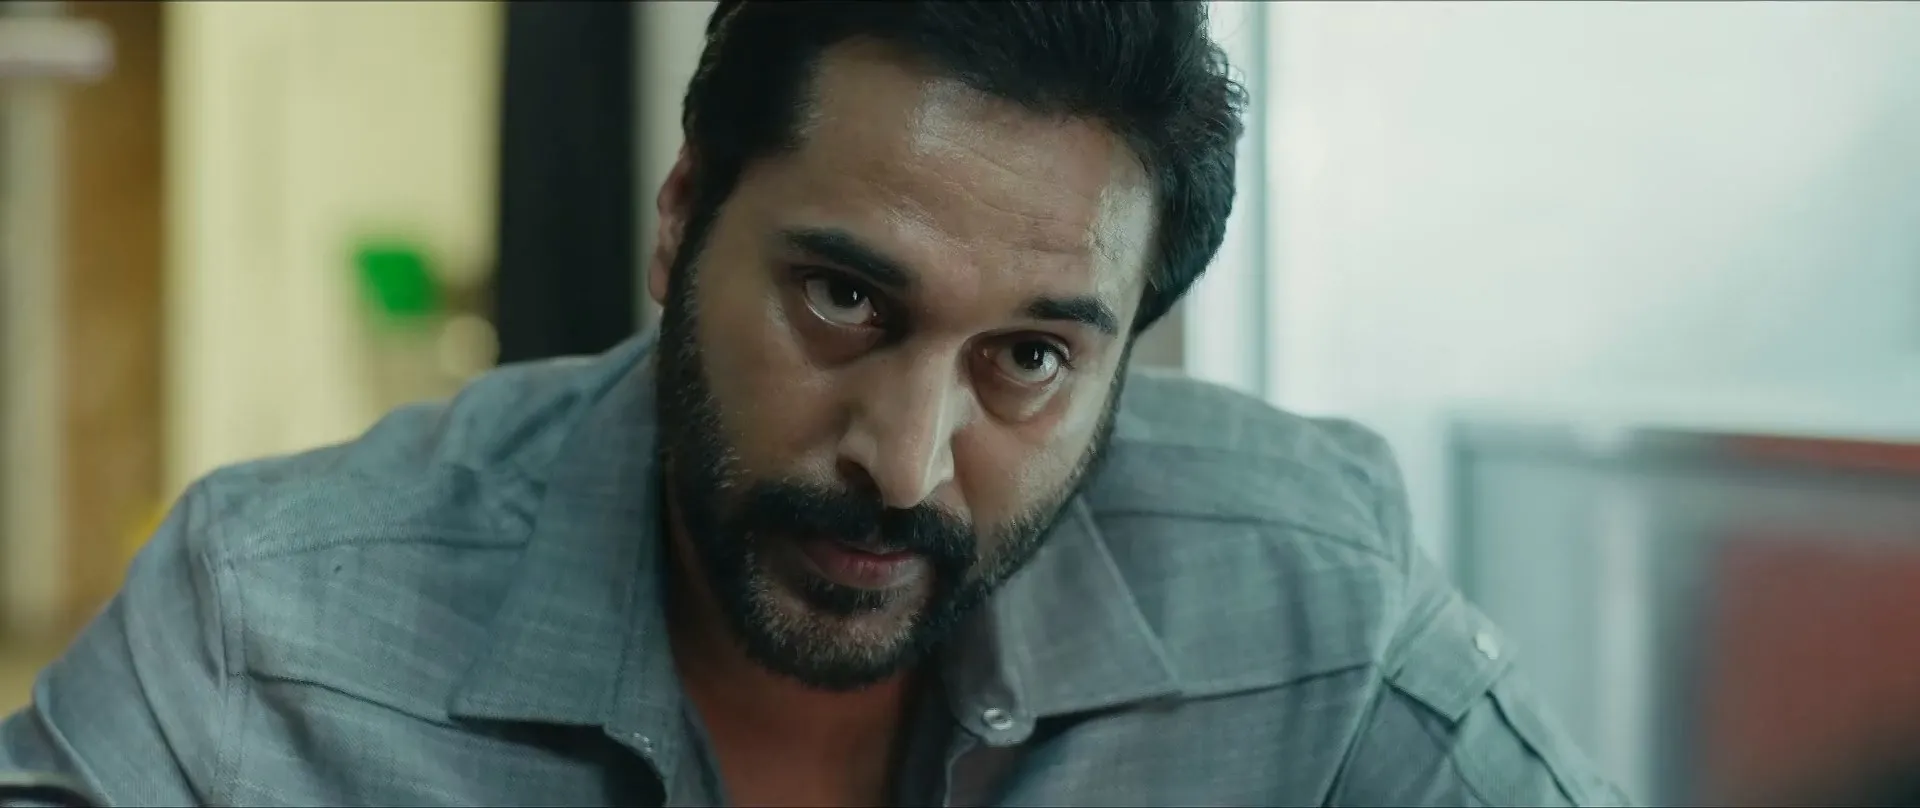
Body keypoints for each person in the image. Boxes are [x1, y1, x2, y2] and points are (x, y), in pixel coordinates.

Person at [0, 2, 1634, 806]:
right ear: (680, 219)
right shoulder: (269, 629)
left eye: (1030, 359)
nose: (905, 463)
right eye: (845, 300)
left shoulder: (1311, 597)